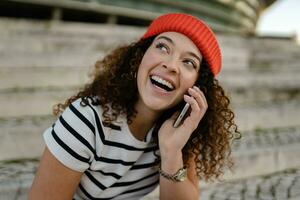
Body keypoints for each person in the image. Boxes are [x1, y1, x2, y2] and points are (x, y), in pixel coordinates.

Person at [29, 13, 239, 200]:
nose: (172, 65)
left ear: (196, 87)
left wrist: (171, 152)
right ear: (139, 57)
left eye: (189, 62)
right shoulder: (86, 121)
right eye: (163, 47)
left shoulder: (180, 132)